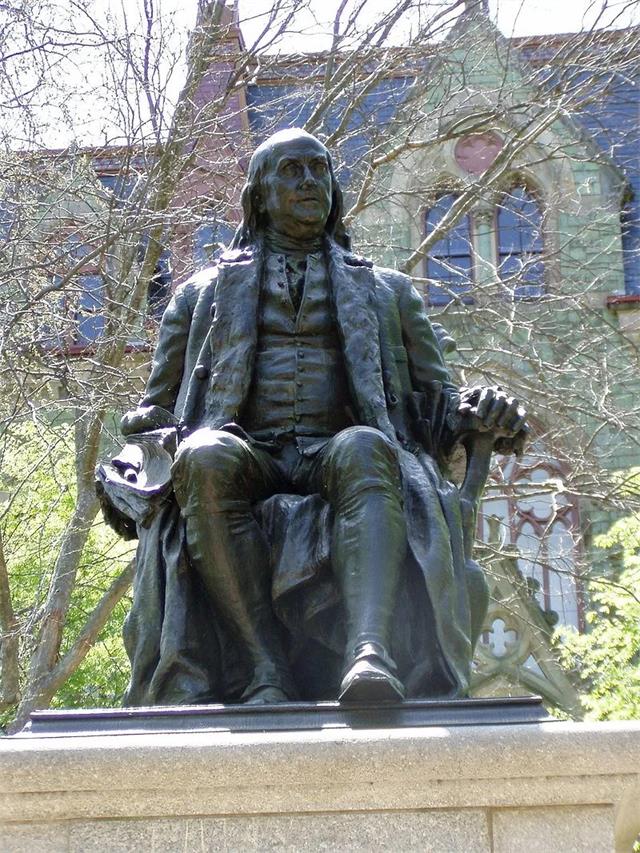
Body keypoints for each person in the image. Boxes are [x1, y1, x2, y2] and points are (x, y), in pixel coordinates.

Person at [103, 128, 527, 707]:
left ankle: (369, 653)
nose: (309, 182)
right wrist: (135, 451)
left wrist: (482, 407)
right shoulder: (199, 295)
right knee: (203, 454)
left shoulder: (388, 292)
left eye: (318, 169)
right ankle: (264, 666)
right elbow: (156, 410)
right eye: (292, 170)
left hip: (338, 451)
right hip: (248, 451)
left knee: (366, 445)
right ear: (259, 194)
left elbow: (437, 402)